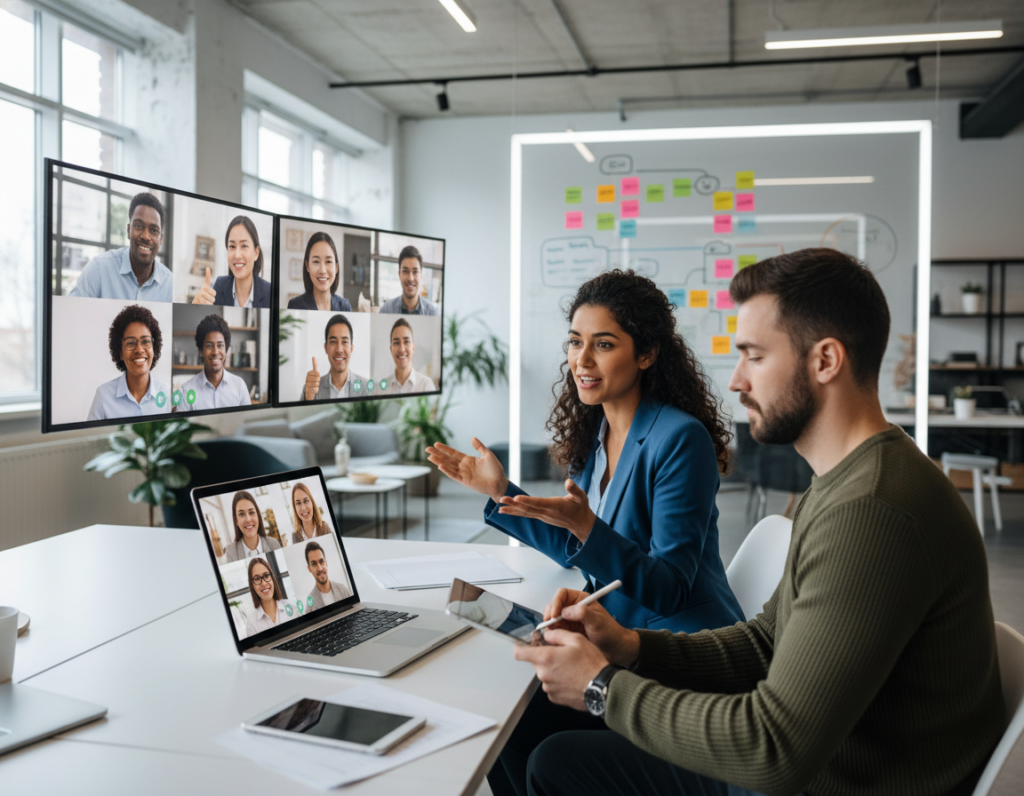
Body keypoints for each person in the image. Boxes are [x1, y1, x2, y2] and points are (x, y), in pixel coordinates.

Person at [511, 249, 1004, 796]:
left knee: (554, 761)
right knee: (527, 724)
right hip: (820, 756)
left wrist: (603, 687)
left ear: (825, 361)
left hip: (830, 779)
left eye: (754, 356)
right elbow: (768, 642)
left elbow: (774, 750)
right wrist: (629, 646)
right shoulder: (843, 481)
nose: (738, 381)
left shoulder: (874, 510)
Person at [427, 269, 743, 796]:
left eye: (603, 344)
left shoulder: (679, 440)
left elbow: (670, 587)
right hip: (620, 641)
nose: (582, 359)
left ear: (646, 355)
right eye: (576, 342)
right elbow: (583, 543)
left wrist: (587, 526)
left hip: (681, 660)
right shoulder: (598, 435)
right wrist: (500, 491)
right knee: (505, 718)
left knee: (536, 738)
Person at [70, 193, 173, 302]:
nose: (145, 236)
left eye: (154, 230)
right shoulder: (99, 268)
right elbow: (71, 313)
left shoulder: (169, 282)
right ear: (128, 231)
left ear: (160, 239)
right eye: (138, 226)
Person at [87, 304, 171, 421]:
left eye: (145, 341)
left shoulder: (166, 393)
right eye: (131, 343)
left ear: (154, 348)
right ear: (120, 352)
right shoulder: (103, 396)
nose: (139, 350)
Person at [191, 215, 271, 308]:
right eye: (232, 246)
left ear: (256, 253)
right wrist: (195, 306)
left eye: (244, 246)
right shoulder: (220, 286)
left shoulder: (269, 292)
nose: (237, 255)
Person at [177, 314, 251, 411]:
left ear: (226, 350)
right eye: (209, 346)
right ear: (200, 351)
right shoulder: (187, 390)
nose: (215, 352)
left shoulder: (239, 386)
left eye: (220, 345)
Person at [301, 314, 368, 401]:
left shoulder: (366, 387)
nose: (339, 350)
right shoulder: (312, 387)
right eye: (333, 341)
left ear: (351, 348)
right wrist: (308, 398)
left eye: (344, 342)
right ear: (326, 348)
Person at [286, 231, 352, 312]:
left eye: (328, 261)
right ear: (307, 266)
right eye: (316, 261)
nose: (322, 270)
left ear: (336, 267)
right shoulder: (296, 306)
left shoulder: (345, 307)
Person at [223, 490, 282, 563]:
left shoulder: (273, 544)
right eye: (241, 514)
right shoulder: (231, 551)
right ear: (236, 520)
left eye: (251, 512)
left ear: (258, 515)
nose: (248, 519)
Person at [379, 245, 440, 315]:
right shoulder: (387, 310)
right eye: (405, 271)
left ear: (421, 276)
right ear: (399, 274)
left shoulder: (432, 312)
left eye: (415, 272)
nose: (410, 278)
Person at [380, 318, 435, 394]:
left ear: (413, 347)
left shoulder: (426, 385)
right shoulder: (381, 388)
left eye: (406, 342)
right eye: (396, 343)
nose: (402, 349)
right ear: (391, 349)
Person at [243, 558, 290, 637]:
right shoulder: (252, 623)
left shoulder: (292, 606)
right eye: (257, 579)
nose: (264, 583)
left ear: (272, 578)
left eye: (266, 575)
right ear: (252, 585)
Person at [305, 541, 352, 609]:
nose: (320, 568)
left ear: (326, 563)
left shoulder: (343, 589)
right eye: (314, 564)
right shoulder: (310, 604)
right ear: (309, 569)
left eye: (321, 561)